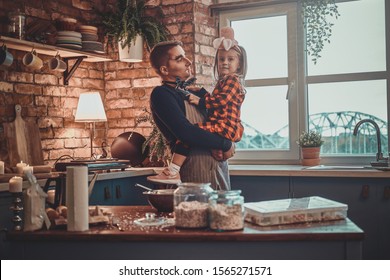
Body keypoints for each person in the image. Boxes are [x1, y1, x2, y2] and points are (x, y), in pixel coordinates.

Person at [148, 27, 247, 185]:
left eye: (186, 57)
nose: (188, 62)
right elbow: (186, 132)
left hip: (219, 175)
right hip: (193, 179)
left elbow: (226, 118)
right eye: (180, 59)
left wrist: (232, 142)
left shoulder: (196, 94)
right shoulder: (162, 95)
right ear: (164, 69)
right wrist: (225, 143)